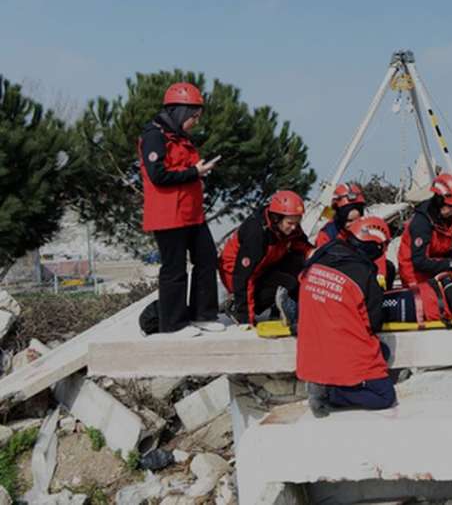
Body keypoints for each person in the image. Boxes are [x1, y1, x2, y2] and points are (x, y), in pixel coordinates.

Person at [138, 82, 222, 337]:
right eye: (193, 116)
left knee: (207, 259)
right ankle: (173, 325)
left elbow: (182, 170)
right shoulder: (154, 136)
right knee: (174, 269)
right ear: (180, 112)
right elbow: (158, 175)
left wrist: (197, 171)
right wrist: (194, 172)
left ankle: (203, 315)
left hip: (192, 213)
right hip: (168, 215)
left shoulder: (181, 137)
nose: (195, 121)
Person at [297, 216, 396, 417]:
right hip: (342, 345)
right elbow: (374, 323)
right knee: (384, 396)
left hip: (311, 347)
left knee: (381, 352)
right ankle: (331, 393)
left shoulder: (322, 255)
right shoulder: (365, 273)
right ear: (374, 246)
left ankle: (330, 384)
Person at [218, 190, 312, 325]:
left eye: (297, 223)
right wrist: (246, 317)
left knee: (298, 260)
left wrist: (315, 253)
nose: (294, 227)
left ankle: (279, 308)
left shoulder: (287, 225)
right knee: (288, 283)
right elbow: (244, 277)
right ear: (276, 218)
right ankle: (236, 306)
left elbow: (301, 244)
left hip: (262, 268)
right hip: (235, 275)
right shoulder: (256, 233)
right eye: (290, 223)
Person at [397, 173, 452, 286]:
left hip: (438, 266)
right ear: (439, 201)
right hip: (416, 274)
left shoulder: (451, 219)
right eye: (450, 206)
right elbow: (419, 261)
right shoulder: (421, 223)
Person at [315, 183, 396, 288]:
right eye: (349, 221)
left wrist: (380, 278)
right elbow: (322, 265)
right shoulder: (327, 234)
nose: (353, 225)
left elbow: (378, 255)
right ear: (339, 217)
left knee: (388, 267)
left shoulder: (367, 229)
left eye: (357, 220)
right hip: (338, 280)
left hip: (363, 273)